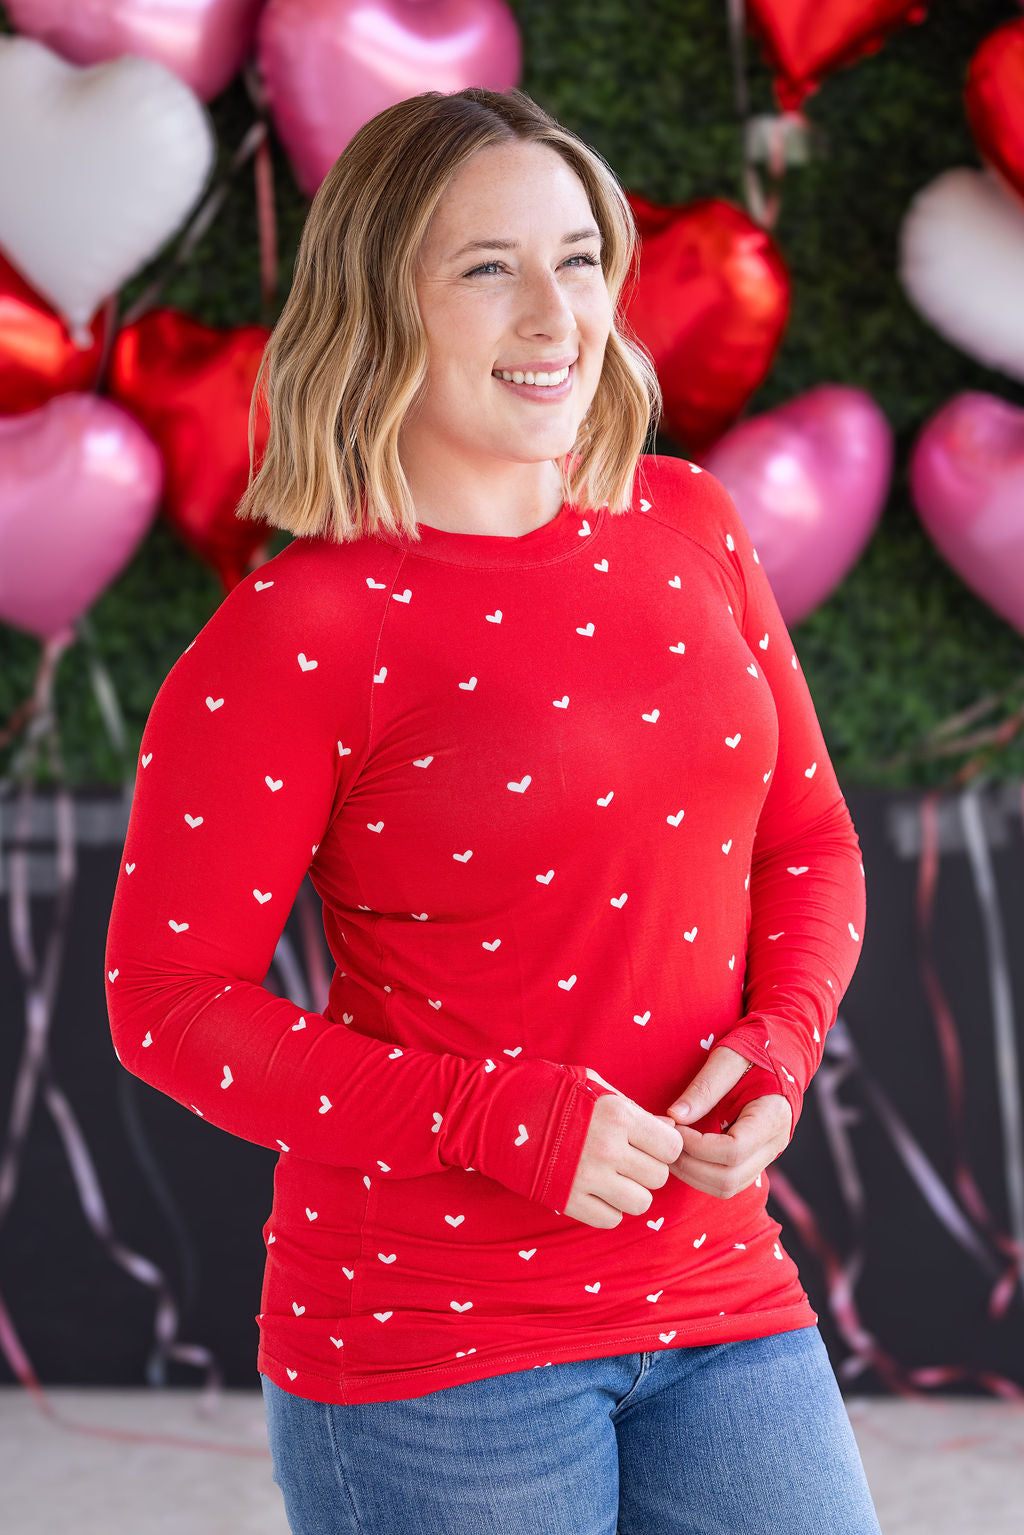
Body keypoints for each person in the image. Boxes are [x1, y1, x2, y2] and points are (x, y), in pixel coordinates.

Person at [104, 86, 881, 1535]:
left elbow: (807, 843)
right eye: (486, 267)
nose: (554, 314)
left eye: (578, 257)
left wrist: (779, 1046)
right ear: (378, 304)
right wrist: (489, 1117)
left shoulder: (691, 525)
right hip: (430, 1349)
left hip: (722, 1297)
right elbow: (165, 1002)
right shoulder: (296, 630)